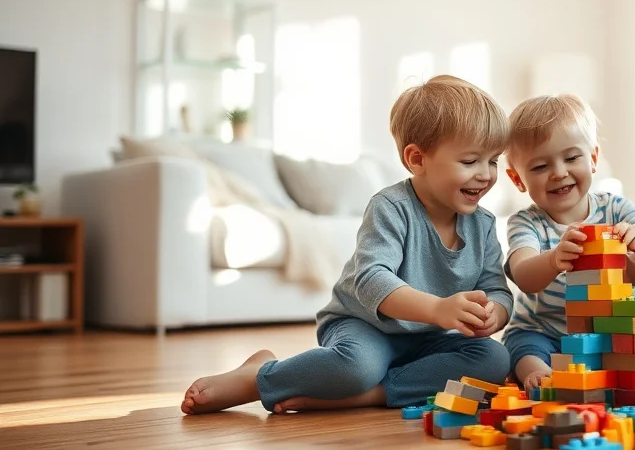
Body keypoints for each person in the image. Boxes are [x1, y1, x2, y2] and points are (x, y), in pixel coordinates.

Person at [180, 75, 513, 415]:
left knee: (495, 359)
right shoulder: (391, 207)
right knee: (356, 367)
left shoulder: (483, 225)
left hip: (432, 338)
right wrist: (437, 310)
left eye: (493, 161)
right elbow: (372, 280)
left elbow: (495, 287)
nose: (486, 174)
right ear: (417, 159)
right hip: (366, 327)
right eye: (470, 162)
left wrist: (494, 313)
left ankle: (374, 394)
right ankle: (261, 376)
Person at [501, 94, 635, 392]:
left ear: (593, 159)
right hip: (546, 331)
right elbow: (523, 274)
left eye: (572, 158)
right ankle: (538, 376)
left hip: (607, 331)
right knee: (523, 347)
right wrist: (553, 259)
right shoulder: (527, 223)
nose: (559, 172)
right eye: (539, 167)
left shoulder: (615, 209)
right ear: (517, 180)